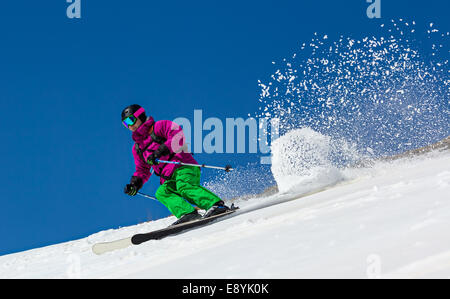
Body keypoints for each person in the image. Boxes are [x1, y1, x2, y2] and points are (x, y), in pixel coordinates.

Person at [121, 104, 230, 225]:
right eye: (125, 124)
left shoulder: (159, 126)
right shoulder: (138, 148)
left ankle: (215, 205)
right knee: (162, 192)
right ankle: (188, 213)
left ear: (140, 116)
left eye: (131, 120)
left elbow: (177, 136)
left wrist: (160, 150)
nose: (130, 126)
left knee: (183, 186)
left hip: (183, 166)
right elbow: (142, 169)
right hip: (168, 177)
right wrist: (134, 184)